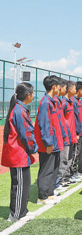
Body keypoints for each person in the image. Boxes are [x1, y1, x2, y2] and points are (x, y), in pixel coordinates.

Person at [2, 83, 38, 222]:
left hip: (21, 154)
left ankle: (22, 211)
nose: (33, 96)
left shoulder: (20, 108)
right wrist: (32, 148)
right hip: (18, 154)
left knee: (25, 184)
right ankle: (15, 215)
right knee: (19, 185)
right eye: (33, 93)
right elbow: (25, 134)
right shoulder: (19, 110)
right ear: (28, 95)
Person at [35, 75, 66, 204]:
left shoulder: (52, 101)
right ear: (54, 87)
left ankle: (50, 192)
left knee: (53, 168)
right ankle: (42, 196)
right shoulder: (45, 102)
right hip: (49, 144)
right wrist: (48, 142)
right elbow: (44, 124)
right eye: (59, 86)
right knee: (46, 169)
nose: (60, 89)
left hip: (55, 142)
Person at [62, 80, 80, 184]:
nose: (76, 90)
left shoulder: (70, 102)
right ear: (69, 90)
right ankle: (62, 179)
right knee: (64, 158)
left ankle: (67, 177)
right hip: (66, 135)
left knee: (69, 157)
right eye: (74, 88)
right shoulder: (64, 103)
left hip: (71, 134)